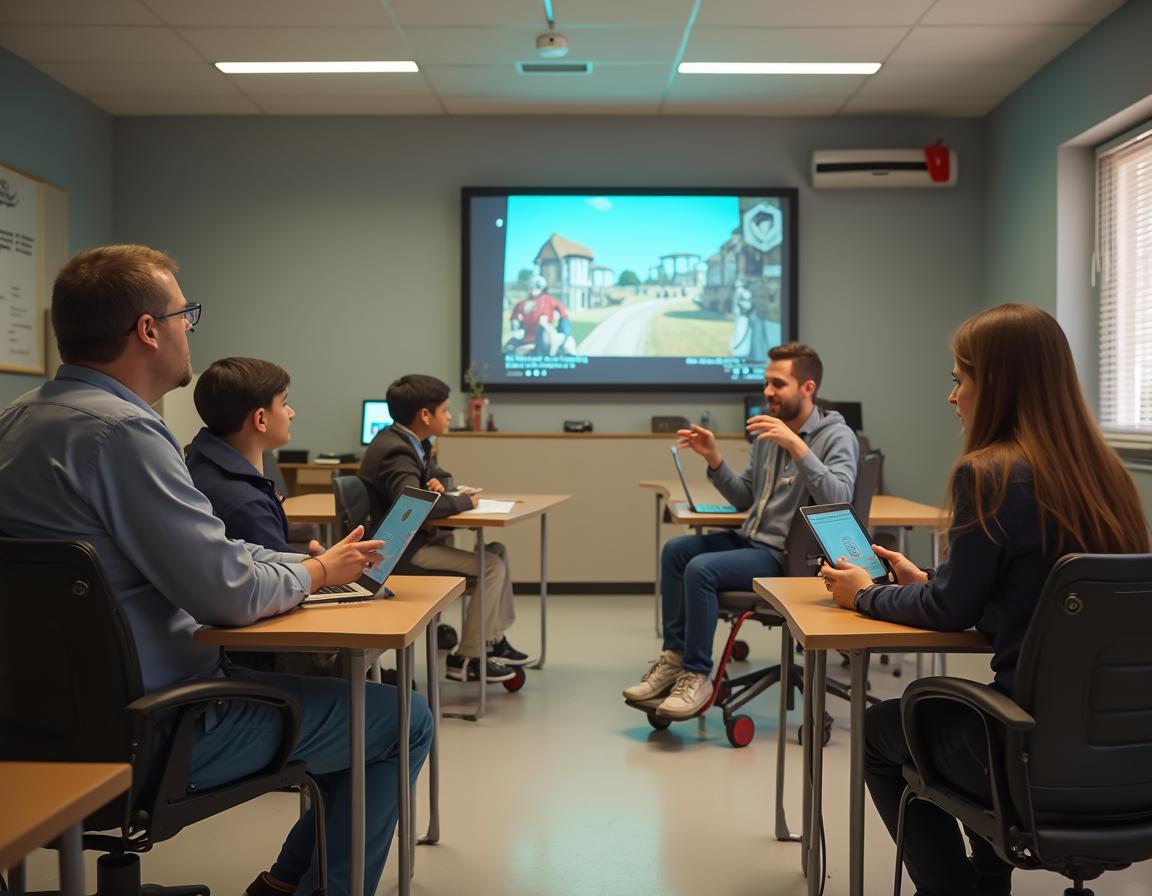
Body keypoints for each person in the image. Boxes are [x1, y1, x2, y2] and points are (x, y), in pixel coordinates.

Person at [0, 245, 432, 896]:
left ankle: (288, 883)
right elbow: (226, 593)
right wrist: (316, 577)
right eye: (184, 316)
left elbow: (206, 555)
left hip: (31, 731)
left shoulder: (19, 421)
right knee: (399, 719)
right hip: (158, 729)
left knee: (356, 714)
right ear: (149, 329)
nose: (188, 331)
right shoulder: (123, 435)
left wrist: (292, 562)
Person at [822, 303, 1150, 896]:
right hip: (1127, 759)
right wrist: (933, 585)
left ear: (993, 384)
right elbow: (1053, 604)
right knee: (961, 721)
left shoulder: (990, 474)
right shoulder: (1109, 477)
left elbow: (949, 616)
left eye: (959, 379)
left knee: (879, 731)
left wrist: (865, 594)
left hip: (1025, 751)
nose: (953, 397)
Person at [624, 342, 858, 719]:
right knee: (676, 552)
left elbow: (840, 499)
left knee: (702, 570)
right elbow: (744, 497)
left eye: (778, 384)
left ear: (807, 388)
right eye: (766, 383)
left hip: (790, 558)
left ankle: (698, 675)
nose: (767, 392)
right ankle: (675, 658)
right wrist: (713, 456)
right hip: (752, 541)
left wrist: (797, 446)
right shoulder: (769, 433)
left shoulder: (836, 436)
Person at [358, 373, 528, 683]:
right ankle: (468, 658)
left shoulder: (411, 442)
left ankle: (490, 641)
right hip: (400, 553)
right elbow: (411, 508)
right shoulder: (396, 450)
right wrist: (466, 503)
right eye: (446, 410)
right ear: (425, 415)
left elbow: (442, 477)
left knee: (496, 552)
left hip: (413, 545)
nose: (450, 416)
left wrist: (437, 486)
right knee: (489, 566)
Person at [187, 356, 320, 555]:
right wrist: (327, 566)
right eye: (284, 404)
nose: (291, 413)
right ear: (260, 419)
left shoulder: (199, 460)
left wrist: (303, 551)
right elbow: (282, 578)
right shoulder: (246, 504)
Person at [504, 275, 575, 356]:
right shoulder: (523, 304)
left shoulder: (547, 301)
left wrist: (562, 333)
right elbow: (515, 321)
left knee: (567, 342)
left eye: (536, 286)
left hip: (540, 338)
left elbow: (562, 316)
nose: (533, 289)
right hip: (531, 338)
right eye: (533, 286)